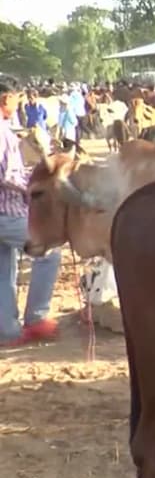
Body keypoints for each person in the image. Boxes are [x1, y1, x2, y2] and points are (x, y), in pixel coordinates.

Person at [0, 83, 61, 346]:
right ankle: (36, 318)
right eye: (16, 99)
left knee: (5, 271)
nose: (18, 104)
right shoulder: (2, 132)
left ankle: (8, 331)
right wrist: (28, 188)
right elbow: (4, 176)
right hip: (7, 211)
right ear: (6, 98)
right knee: (48, 251)